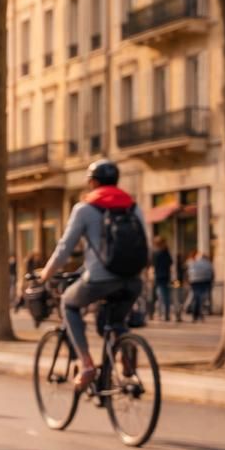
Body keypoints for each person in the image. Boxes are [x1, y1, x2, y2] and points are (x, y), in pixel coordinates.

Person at [39, 159, 147, 390]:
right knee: (112, 322)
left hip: (100, 279)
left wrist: (46, 273)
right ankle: (125, 350)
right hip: (133, 280)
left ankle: (87, 365)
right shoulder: (133, 206)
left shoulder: (85, 209)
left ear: (93, 183)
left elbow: (65, 248)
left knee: (68, 303)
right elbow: (144, 242)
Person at [151, 236, 174, 321]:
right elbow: (171, 262)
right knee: (166, 296)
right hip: (166, 277)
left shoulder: (157, 253)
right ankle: (166, 314)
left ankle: (161, 314)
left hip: (159, 277)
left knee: (160, 296)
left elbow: (153, 264)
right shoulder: (166, 252)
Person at [187, 251, 214, 322]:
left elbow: (189, 272)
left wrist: (190, 280)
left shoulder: (193, 262)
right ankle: (199, 314)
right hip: (204, 281)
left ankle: (195, 315)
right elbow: (211, 273)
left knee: (196, 298)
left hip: (194, 282)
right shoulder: (208, 263)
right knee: (201, 298)